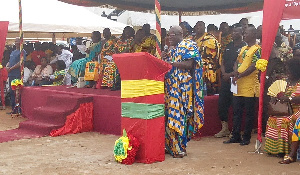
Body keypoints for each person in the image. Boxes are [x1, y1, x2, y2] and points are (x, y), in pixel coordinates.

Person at [163, 26, 204, 158]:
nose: (169, 38)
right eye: (168, 35)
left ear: (181, 34)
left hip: (183, 89)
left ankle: (179, 147)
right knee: (170, 116)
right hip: (170, 88)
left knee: (180, 117)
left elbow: (190, 64)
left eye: (172, 35)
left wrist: (171, 63)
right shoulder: (171, 49)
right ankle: (170, 146)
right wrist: (164, 58)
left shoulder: (189, 45)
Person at [224, 26, 261, 145]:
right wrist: (235, 72)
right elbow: (237, 62)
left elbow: (253, 66)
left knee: (249, 114)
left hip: (250, 86)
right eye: (244, 33)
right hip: (238, 84)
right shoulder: (243, 48)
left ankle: (246, 137)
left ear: (254, 35)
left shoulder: (257, 49)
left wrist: (240, 75)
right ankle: (235, 135)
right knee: (236, 112)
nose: (244, 35)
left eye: (247, 33)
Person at [264, 58, 300, 164]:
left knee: (286, 121)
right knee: (273, 119)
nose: (287, 72)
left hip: (297, 109)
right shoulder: (286, 83)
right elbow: (280, 94)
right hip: (286, 109)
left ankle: (287, 150)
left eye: (289, 70)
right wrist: (277, 97)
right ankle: (276, 149)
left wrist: (289, 99)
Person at [215, 26, 247, 138]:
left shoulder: (245, 47)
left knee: (236, 104)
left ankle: (235, 130)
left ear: (242, 32)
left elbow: (241, 64)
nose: (233, 33)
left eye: (236, 31)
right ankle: (224, 128)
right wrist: (224, 74)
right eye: (232, 31)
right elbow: (222, 61)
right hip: (225, 79)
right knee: (222, 103)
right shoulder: (229, 46)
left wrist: (231, 75)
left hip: (236, 79)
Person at [193, 21, 220, 95]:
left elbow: (212, 55)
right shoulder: (192, 39)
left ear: (204, 28)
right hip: (193, 64)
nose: (198, 27)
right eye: (197, 26)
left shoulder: (210, 39)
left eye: (200, 25)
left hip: (207, 66)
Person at [6, 38, 26, 114]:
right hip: (11, 74)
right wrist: (7, 66)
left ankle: (18, 109)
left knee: (17, 92)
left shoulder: (22, 52)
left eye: (17, 41)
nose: (16, 43)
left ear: (21, 42)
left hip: (17, 74)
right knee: (12, 92)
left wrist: (11, 68)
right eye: (15, 41)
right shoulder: (13, 52)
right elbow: (9, 61)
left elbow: (20, 63)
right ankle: (13, 109)